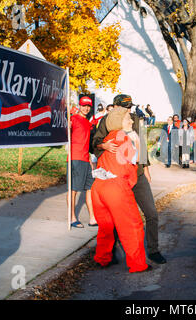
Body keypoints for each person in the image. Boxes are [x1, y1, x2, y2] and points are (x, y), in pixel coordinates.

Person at [92, 94, 166, 264]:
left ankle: (153, 250)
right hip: (117, 177)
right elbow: (95, 141)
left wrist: (145, 169)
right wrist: (103, 145)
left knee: (151, 213)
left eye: (130, 106)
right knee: (115, 217)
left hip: (137, 174)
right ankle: (111, 253)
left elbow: (142, 145)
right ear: (116, 107)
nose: (128, 110)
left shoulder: (135, 120)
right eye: (125, 107)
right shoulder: (107, 121)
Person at [90, 107, 150, 273]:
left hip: (99, 186)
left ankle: (102, 259)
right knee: (133, 225)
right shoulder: (123, 138)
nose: (131, 121)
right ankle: (138, 265)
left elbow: (95, 151)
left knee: (106, 227)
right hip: (116, 187)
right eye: (127, 118)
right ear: (117, 122)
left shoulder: (108, 140)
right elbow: (134, 163)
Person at [68, 96, 97, 228]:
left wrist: (90, 158)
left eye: (88, 106)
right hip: (75, 158)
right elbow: (66, 130)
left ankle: (92, 218)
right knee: (73, 190)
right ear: (79, 105)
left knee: (90, 188)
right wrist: (68, 120)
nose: (86, 108)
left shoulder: (88, 123)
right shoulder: (73, 119)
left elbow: (87, 142)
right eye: (83, 105)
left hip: (86, 159)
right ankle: (72, 218)